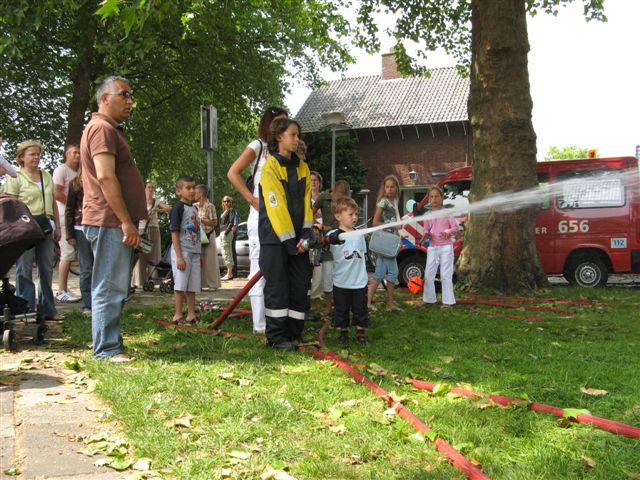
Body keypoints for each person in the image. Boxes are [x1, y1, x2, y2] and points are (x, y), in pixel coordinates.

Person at [80, 75, 146, 363]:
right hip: (109, 221)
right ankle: (106, 350)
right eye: (124, 94)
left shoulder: (109, 129)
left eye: (131, 95)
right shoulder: (102, 129)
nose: (130, 101)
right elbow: (106, 177)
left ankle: (111, 343)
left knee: (114, 285)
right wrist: (125, 221)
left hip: (111, 221)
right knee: (108, 285)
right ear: (105, 98)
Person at [227, 106, 288, 335]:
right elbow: (233, 172)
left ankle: (276, 320)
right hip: (260, 216)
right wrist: (252, 199)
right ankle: (259, 326)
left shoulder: (281, 151)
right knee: (258, 266)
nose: (282, 128)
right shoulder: (258, 146)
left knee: (276, 268)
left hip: (280, 216)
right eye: (278, 123)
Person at [258, 117, 313, 350]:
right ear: (279, 137)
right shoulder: (270, 167)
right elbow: (275, 206)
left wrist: (307, 235)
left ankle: (293, 332)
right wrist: (291, 241)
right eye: (293, 134)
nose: (297, 139)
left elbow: (307, 204)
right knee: (277, 287)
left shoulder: (303, 168)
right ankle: (276, 337)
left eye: (298, 135)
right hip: (275, 240)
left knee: (300, 286)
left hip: (298, 240)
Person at [2, 140, 60, 320]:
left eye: (38, 154)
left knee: (47, 269)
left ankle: (47, 309)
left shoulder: (46, 176)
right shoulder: (15, 177)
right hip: (25, 227)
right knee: (24, 269)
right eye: (32, 154)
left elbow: (52, 202)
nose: (36, 157)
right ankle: (26, 309)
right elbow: (10, 206)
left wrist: (57, 225)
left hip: (45, 225)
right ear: (21, 157)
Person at [328, 197, 370, 346]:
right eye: (350, 214)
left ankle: (360, 333)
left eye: (356, 214)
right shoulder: (333, 235)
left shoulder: (359, 234)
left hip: (359, 282)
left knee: (360, 309)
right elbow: (324, 244)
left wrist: (367, 275)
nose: (354, 218)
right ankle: (343, 333)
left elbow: (363, 255)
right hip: (341, 282)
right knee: (341, 309)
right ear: (338, 216)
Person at [312, 179, 351, 316]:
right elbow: (310, 213)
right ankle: (328, 305)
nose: (340, 200)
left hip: (343, 243)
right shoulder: (323, 197)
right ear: (333, 191)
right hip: (328, 243)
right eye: (339, 197)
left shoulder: (346, 201)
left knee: (343, 274)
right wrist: (319, 226)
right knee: (327, 275)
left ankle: (342, 305)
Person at [418, 187, 458, 308]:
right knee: (428, 274)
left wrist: (448, 231)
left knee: (446, 274)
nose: (434, 199)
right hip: (433, 248)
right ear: (429, 199)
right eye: (431, 197)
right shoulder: (427, 215)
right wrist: (426, 236)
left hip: (446, 247)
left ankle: (448, 302)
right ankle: (429, 300)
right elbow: (426, 231)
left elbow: (455, 229)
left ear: (441, 198)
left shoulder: (447, 213)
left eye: (437, 196)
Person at [367, 174, 402, 312]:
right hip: (385, 242)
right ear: (384, 188)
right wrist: (393, 226)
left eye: (392, 187)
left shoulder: (396, 200)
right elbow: (375, 222)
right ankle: (390, 303)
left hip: (391, 240)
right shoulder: (383, 202)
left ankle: (368, 302)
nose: (389, 189)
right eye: (387, 187)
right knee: (393, 272)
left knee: (379, 273)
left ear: (396, 188)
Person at [169, 176, 202, 324]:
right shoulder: (178, 208)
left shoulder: (194, 208)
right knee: (180, 285)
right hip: (182, 251)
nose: (192, 190)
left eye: (193, 187)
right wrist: (179, 256)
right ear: (178, 191)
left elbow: (196, 231)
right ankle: (177, 315)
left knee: (192, 285)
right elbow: (174, 232)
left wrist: (199, 253)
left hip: (194, 251)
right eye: (188, 188)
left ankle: (191, 314)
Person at [53, 143, 81, 303]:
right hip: (64, 216)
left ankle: (65, 288)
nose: (77, 155)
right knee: (67, 253)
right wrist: (73, 206)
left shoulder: (77, 172)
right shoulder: (61, 170)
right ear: (66, 154)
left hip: (74, 218)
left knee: (71, 254)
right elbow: (57, 193)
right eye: (73, 152)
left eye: (78, 153)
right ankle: (61, 290)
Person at [131, 181, 170, 289]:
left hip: (153, 230)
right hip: (141, 231)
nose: (151, 189)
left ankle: (153, 279)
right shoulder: (139, 201)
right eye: (149, 187)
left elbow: (169, 208)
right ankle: (139, 281)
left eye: (153, 187)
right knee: (139, 256)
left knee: (153, 255)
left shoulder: (156, 201)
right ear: (144, 188)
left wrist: (158, 209)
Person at [65, 165, 93, 315]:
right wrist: (69, 234)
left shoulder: (99, 180)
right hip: (80, 229)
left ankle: (99, 302)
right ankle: (87, 305)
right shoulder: (74, 183)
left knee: (98, 268)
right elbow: (69, 208)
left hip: (98, 228)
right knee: (86, 268)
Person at [195, 184, 221, 290]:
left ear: (201, 193)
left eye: (196, 192)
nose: (194, 193)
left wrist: (201, 219)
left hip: (208, 235)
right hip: (198, 235)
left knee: (210, 260)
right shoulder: (194, 206)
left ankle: (212, 284)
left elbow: (214, 222)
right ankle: (199, 284)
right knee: (198, 259)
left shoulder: (210, 206)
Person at [218, 196, 238, 280]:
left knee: (227, 252)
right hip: (223, 232)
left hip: (226, 233)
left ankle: (230, 273)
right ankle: (229, 273)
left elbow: (231, 222)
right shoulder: (224, 211)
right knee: (225, 252)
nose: (226, 203)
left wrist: (226, 232)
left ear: (231, 202)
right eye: (224, 201)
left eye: (228, 201)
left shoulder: (231, 210)